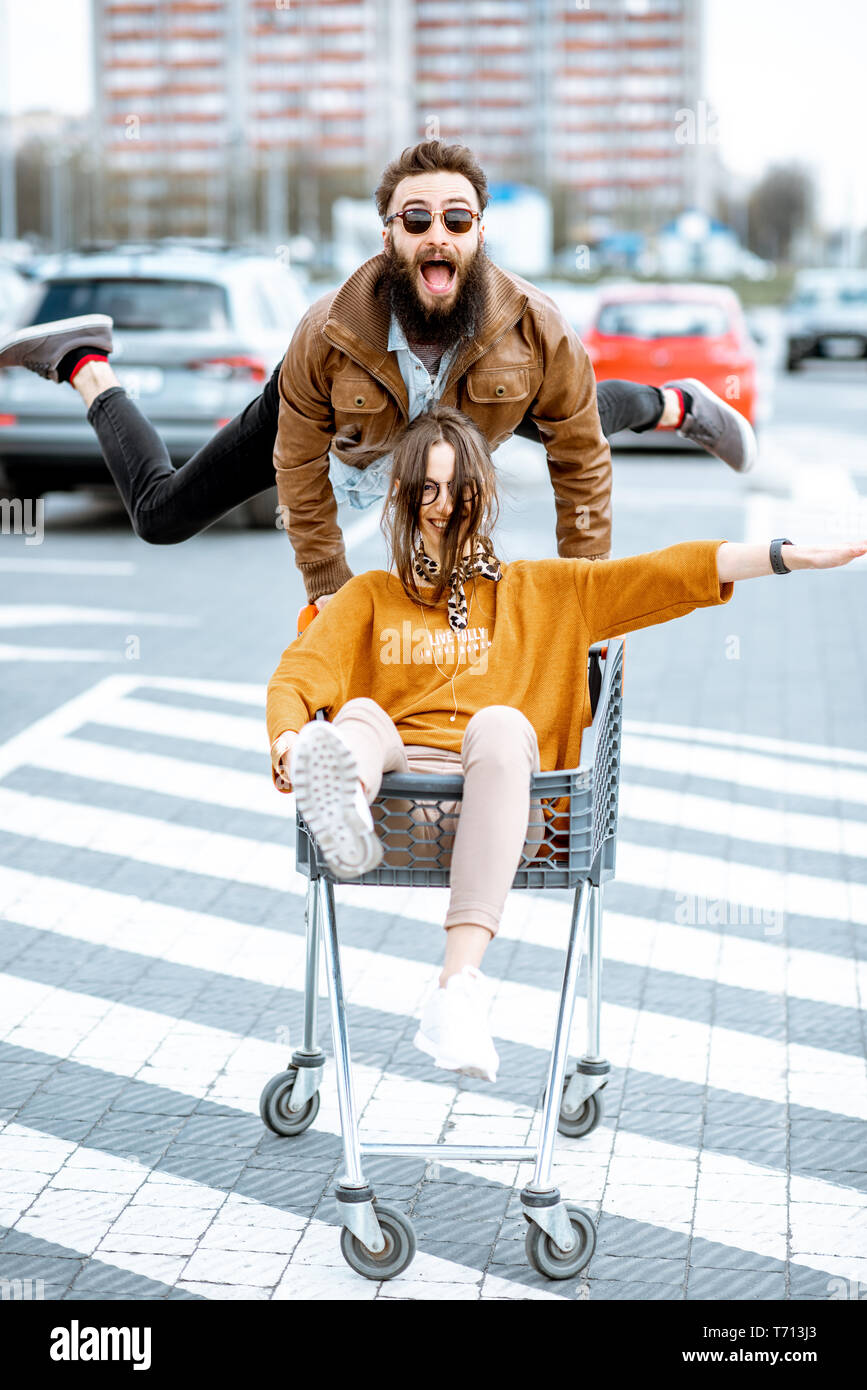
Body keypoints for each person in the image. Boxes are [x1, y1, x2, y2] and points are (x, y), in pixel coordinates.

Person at [266, 403, 864, 1085]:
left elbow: (663, 573)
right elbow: (298, 675)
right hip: (392, 813)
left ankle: (456, 992)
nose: (441, 507)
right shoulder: (368, 597)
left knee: (500, 724)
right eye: (424, 490)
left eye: (456, 490)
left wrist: (783, 555)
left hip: (503, 812)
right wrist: (289, 744)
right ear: (401, 499)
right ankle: (338, 792)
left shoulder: (544, 591)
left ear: (479, 496)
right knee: (361, 718)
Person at [0, 141, 755, 606]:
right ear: (389, 234)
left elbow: (580, 455)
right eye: (416, 218)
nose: (438, 232)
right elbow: (297, 468)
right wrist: (328, 586)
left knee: (571, 409)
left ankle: (676, 405)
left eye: (457, 219)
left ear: (480, 233)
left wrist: (586, 598)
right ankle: (84, 361)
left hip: (475, 404)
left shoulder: (533, 326)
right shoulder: (326, 331)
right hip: (341, 419)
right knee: (161, 519)